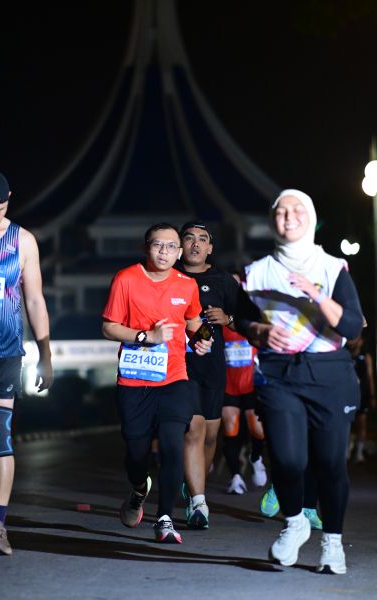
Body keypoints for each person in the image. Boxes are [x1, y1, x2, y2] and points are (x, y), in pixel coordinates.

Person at [239, 189, 363, 575]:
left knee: (330, 463)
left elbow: (351, 325)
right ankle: (294, 523)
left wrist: (314, 294)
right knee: (287, 459)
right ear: (272, 221)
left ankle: (332, 543)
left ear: (310, 217)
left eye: (297, 210)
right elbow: (240, 319)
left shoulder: (331, 267)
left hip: (330, 374)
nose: (289, 217)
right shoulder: (257, 271)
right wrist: (259, 330)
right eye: (281, 212)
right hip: (280, 374)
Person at [102, 222, 212, 544]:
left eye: (171, 246)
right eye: (157, 245)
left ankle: (165, 518)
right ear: (146, 247)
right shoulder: (126, 279)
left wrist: (204, 339)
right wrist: (146, 337)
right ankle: (139, 489)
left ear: (179, 253)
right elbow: (109, 327)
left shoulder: (186, 285)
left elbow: (194, 321)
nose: (164, 251)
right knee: (136, 455)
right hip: (133, 381)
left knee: (172, 445)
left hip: (174, 378)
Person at [0, 169, 53, 555]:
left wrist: (46, 354)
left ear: (9, 200)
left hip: (3, 352)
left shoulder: (22, 241)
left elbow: (35, 299)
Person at [176, 221, 241, 529]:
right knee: (194, 428)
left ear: (210, 248)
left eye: (202, 239)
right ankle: (198, 501)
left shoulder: (222, 280)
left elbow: (248, 318)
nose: (195, 244)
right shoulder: (170, 275)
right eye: (189, 238)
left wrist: (228, 318)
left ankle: (194, 482)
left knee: (211, 435)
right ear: (180, 245)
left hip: (213, 366)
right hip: (179, 365)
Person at [222, 324, 267, 494]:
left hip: (251, 386)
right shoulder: (221, 325)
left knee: (257, 429)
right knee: (230, 428)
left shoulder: (251, 325)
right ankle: (236, 477)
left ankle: (255, 457)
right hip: (228, 386)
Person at [346, 332, 376, 463]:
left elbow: (370, 378)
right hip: (348, 395)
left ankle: (359, 452)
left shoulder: (366, 357)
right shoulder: (345, 356)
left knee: (361, 423)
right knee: (347, 423)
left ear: (362, 341)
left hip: (362, 395)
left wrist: (372, 395)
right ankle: (347, 450)